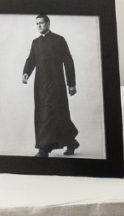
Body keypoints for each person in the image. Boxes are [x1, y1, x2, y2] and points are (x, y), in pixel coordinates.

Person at [22, 14, 79, 157]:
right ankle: (71, 142)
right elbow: (31, 60)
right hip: (40, 85)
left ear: (48, 23)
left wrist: (71, 84)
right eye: (37, 24)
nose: (39, 26)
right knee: (47, 114)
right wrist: (26, 72)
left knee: (52, 113)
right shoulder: (35, 42)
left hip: (56, 84)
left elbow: (68, 61)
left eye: (41, 23)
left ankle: (44, 149)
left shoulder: (59, 40)